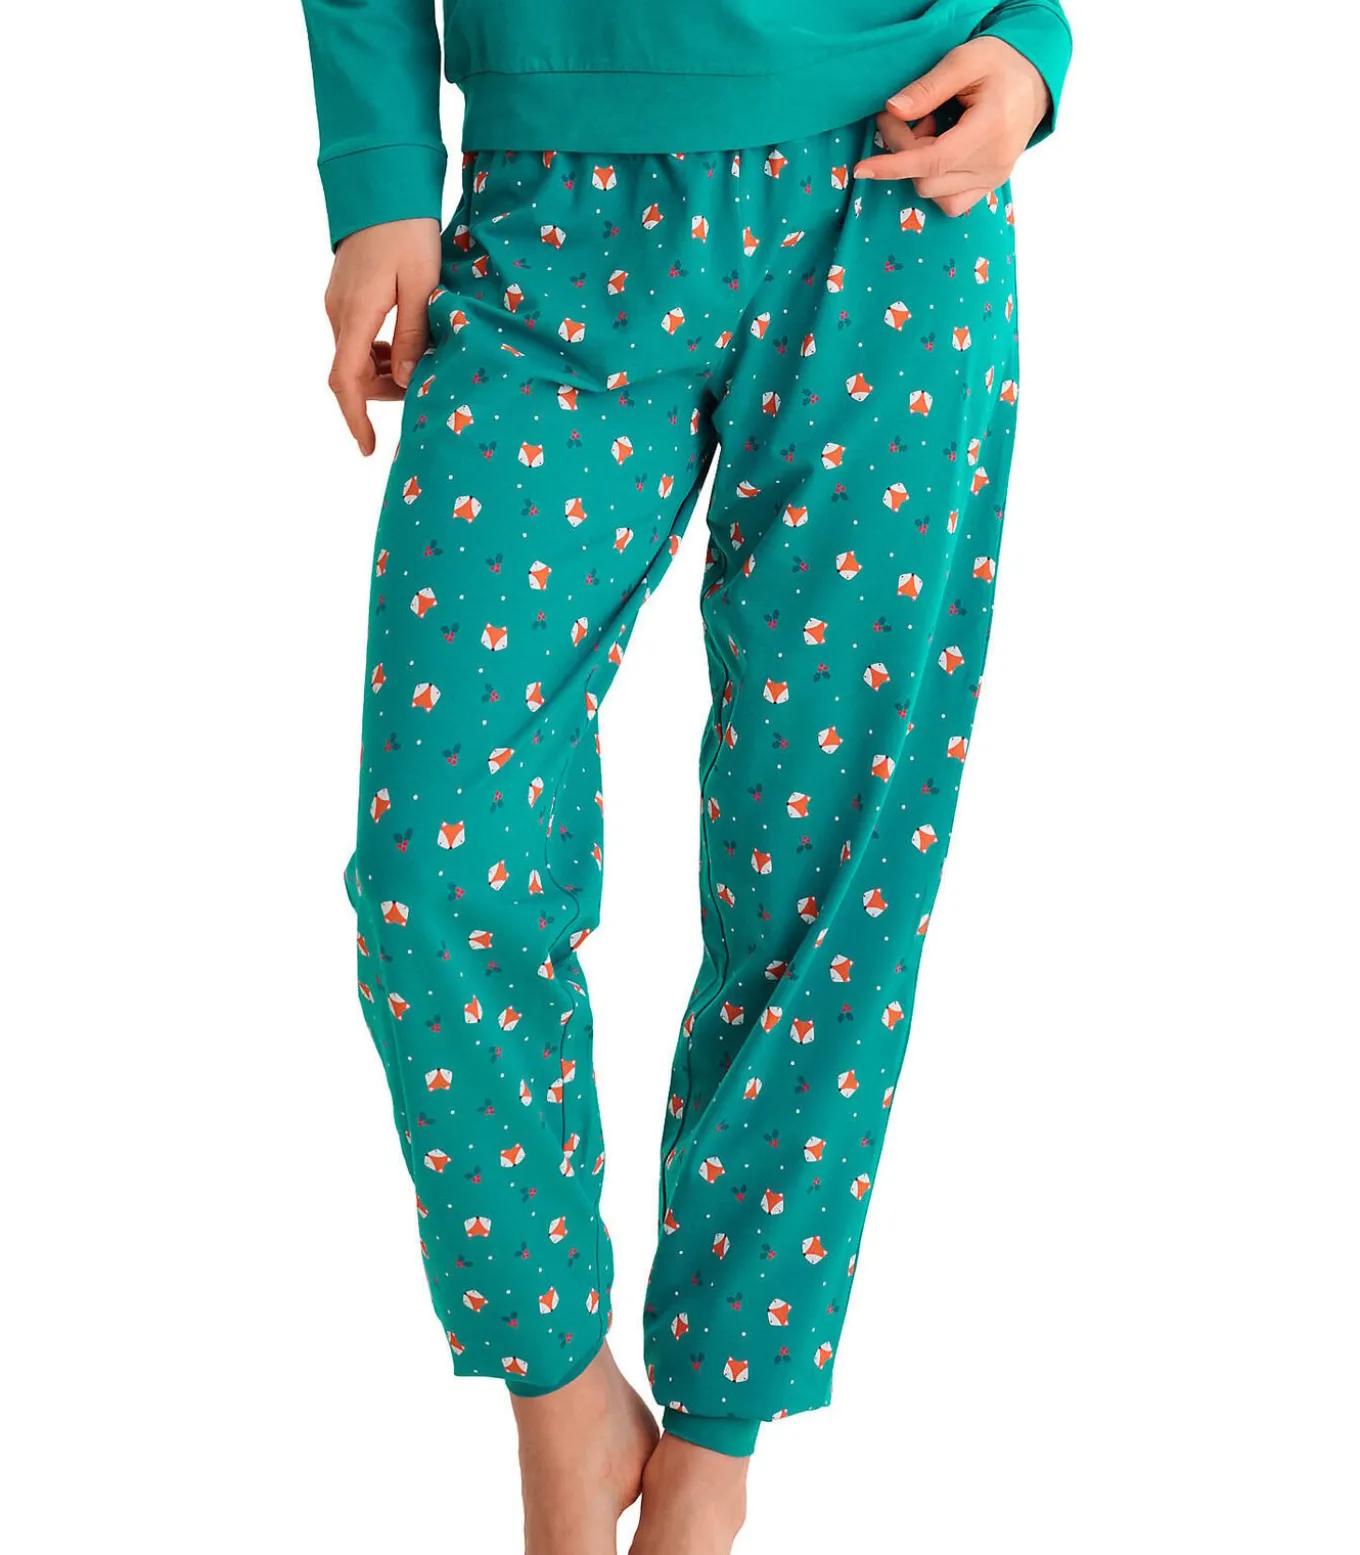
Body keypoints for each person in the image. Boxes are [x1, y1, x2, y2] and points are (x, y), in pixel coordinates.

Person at [299, 3, 1072, 1550]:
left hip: (894, 190)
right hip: (551, 200)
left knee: (826, 866)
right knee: (432, 867)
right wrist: (379, 164)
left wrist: (1040, 39)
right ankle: (561, 1395)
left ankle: (720, 1432)